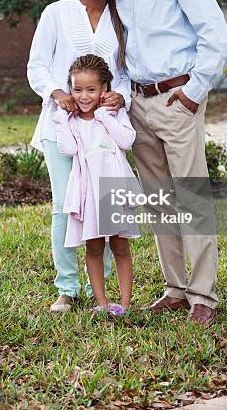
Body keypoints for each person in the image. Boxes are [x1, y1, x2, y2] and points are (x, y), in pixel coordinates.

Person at [102, 0, 227, 326]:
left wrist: (195, 91)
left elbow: (213, 29)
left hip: (178, 98)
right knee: (159, 200)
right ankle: (176, 287)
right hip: (138, 101)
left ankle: (203, 296)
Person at [27, 0, 130, 313]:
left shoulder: (121, 20)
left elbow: (124, 74)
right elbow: (37, 65)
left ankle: (100, 294)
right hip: (62, 129)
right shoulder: (56, 13)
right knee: (66, 208)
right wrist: (56, 92)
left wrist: (120, 97)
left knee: (102, 209)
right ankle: (67, 289)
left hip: (103, 132)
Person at [52, 54, 138, 315]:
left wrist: (105, 116)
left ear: (104, 90)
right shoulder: (73, 122)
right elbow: (66, 148)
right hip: (89, 192)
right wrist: (61, 119)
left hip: (113, 188)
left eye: (91, 89)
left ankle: (124, 304)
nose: (84, 96)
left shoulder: (115, 114)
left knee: (120, 246)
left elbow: (126, 141)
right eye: (77, 89)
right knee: (94, 247)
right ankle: (101, 304)